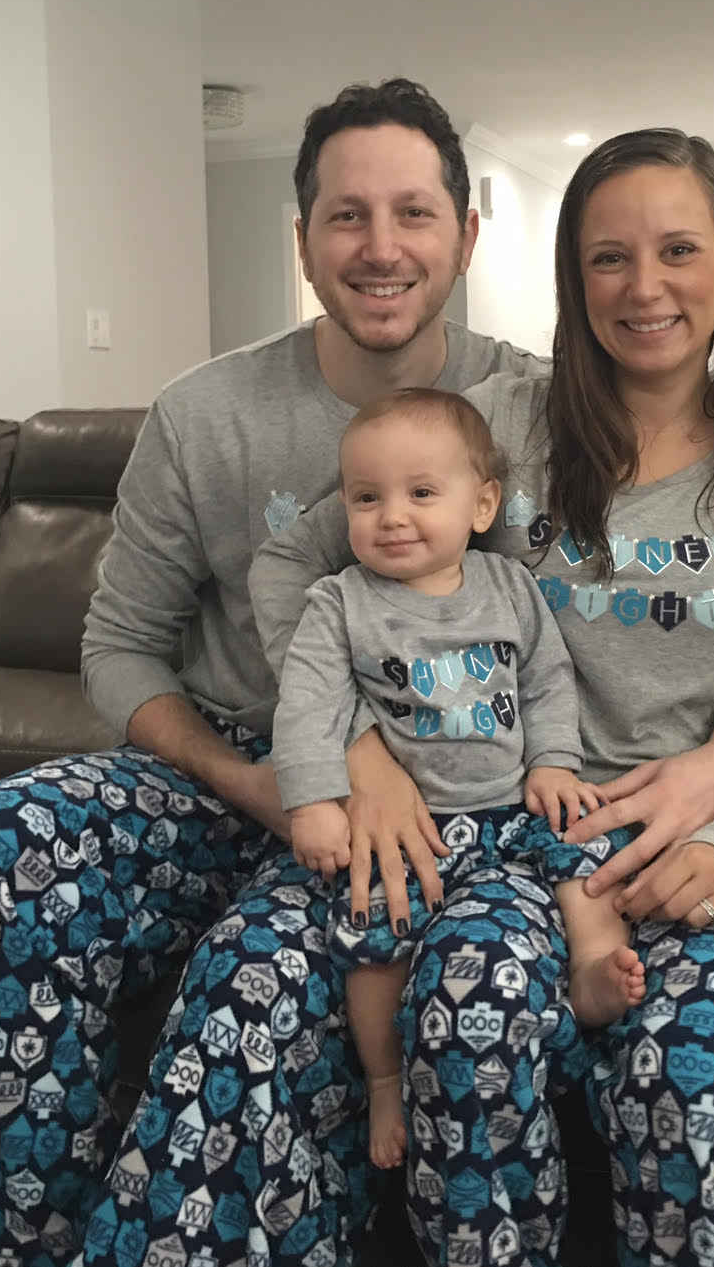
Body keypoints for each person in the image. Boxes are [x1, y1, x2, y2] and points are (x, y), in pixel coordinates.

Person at [0, 78, 714, 1267]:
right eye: (347, 216)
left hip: (452, 810)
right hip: (234, 773)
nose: (381, 247)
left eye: (414, 214)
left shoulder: (532, 407)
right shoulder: (204, 415)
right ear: (301, 240)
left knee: (265, 1008)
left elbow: (695, 616)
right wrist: (299, 776)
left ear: (466, 237)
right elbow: (118, 648)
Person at [247, 128, 714, 1266]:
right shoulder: (508, 425)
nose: (643, 287)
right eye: (607, 259)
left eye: (678, 248)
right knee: (465, 1016)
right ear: (574, 283)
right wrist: (359, 748)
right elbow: (301, 569)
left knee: (698, 1056)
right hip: (522, 833)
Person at [272, 387, 645, 1169]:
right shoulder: (338, 604)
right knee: (374, 944)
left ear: (482, 506)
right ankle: (382, 1082)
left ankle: (590, 970)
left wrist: (553, 763)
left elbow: (547, 680)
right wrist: (311, 800)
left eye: (420, 493)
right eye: (366, 498)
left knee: (586, 850)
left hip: (511, 806)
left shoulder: (509, 587)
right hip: (413, 830)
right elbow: (306, 705)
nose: (392, 516)